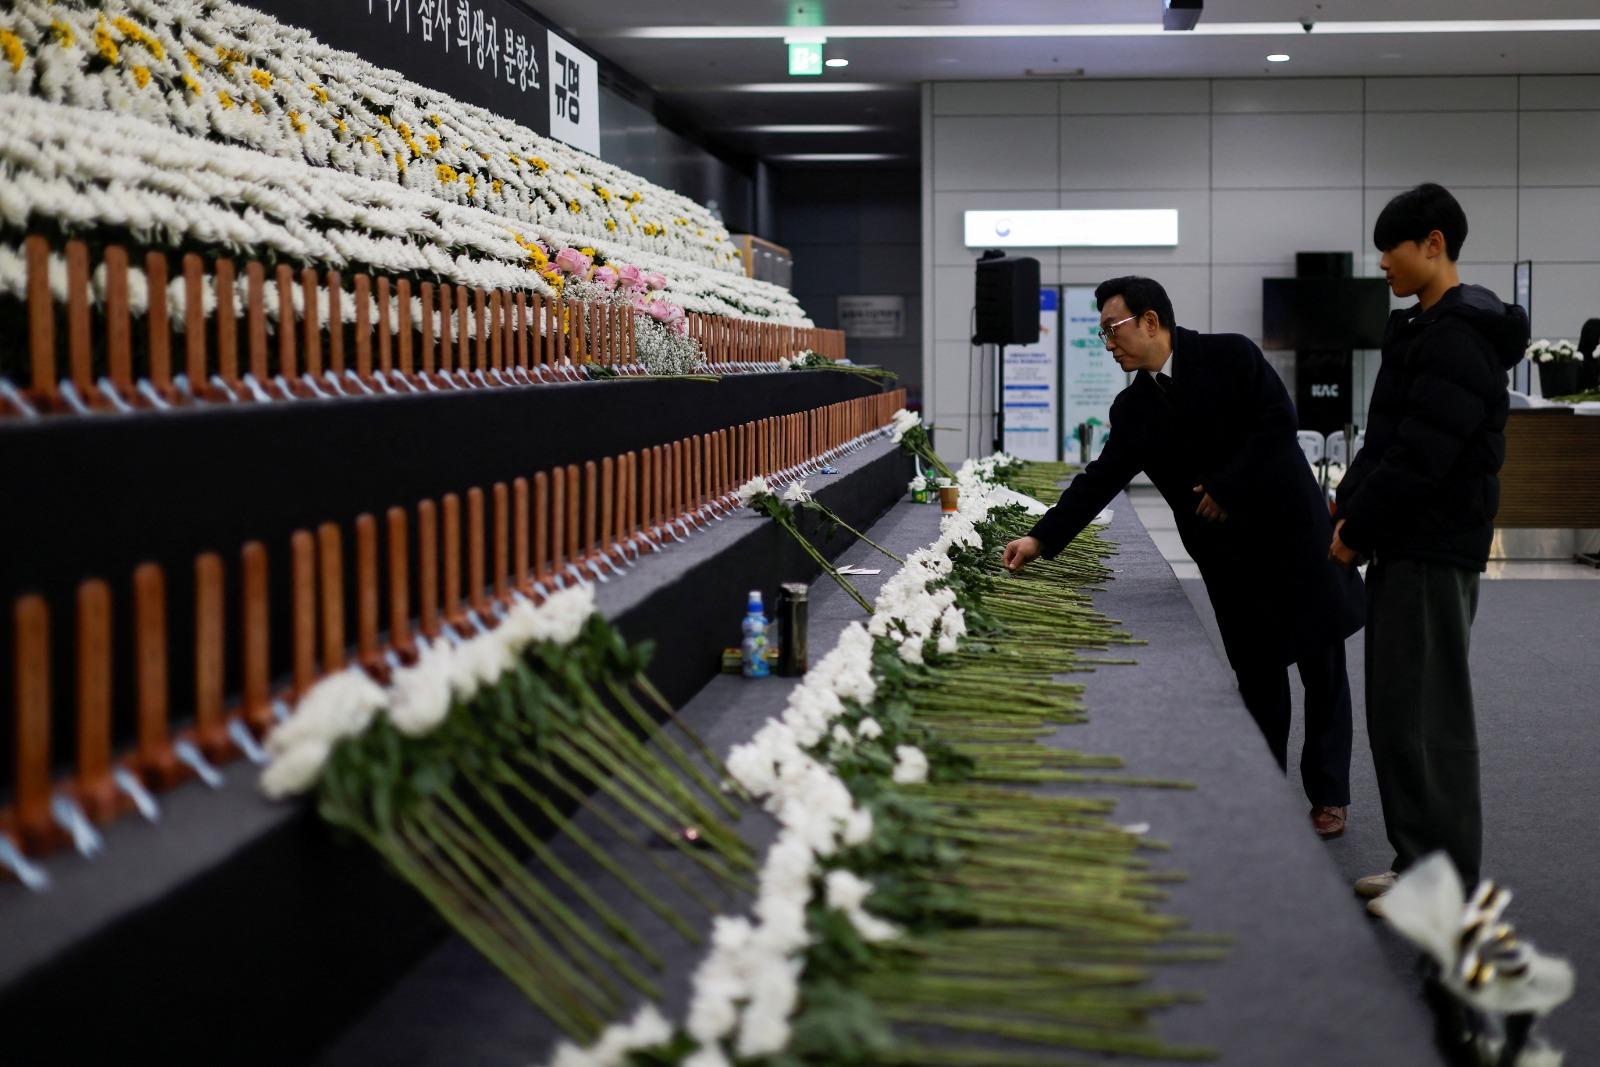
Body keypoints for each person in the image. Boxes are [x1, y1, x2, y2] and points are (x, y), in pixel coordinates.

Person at [1005, 276, 1364, 837]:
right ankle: (1262, 790)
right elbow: (1101, 478)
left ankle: (1329, 795)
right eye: (1102, 334)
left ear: (1151, 321)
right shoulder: (1133, 408)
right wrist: (1040, 538)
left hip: (1292, 538)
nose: (1108, 344)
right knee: (1258, 677)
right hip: (1227, 559)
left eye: (1113, 329)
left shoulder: (1231, 355)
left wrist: (1226, 486)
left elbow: (1278, 424)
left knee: (1323, 671)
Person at [1331, 183, 1528, 912]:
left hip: (1434, 547)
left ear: (1434, 244)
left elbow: (1423, 456)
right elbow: (1385, 439)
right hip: (1405, 543)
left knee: (1428, 716)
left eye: (1392, 248)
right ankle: (1416, 861)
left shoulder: (1460, 335)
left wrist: (1358, 530)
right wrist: (1346, 507)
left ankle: (1444, 880)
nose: (1382, 262)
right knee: (1397, 711)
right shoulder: (1419, 327)